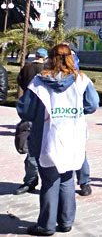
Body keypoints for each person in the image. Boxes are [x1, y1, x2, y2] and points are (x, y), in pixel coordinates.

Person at [17, 44, 99, 236]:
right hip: (73, 137)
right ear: (71, 57)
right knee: (67, 179)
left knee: (49, 181)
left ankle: (46, 226)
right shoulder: (81, 80)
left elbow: (25, 110)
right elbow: (93, 104)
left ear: (50, 58)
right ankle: (66, 222)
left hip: (47, 137)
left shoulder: (40, 81)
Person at [14, 49, 48, 196]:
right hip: (41, 113)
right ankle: (33, 181)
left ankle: (31, 180)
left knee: (32, 151)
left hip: (32, 111)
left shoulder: (27, 68)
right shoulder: (46, 69)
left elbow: (20, 83)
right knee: (34, 151)